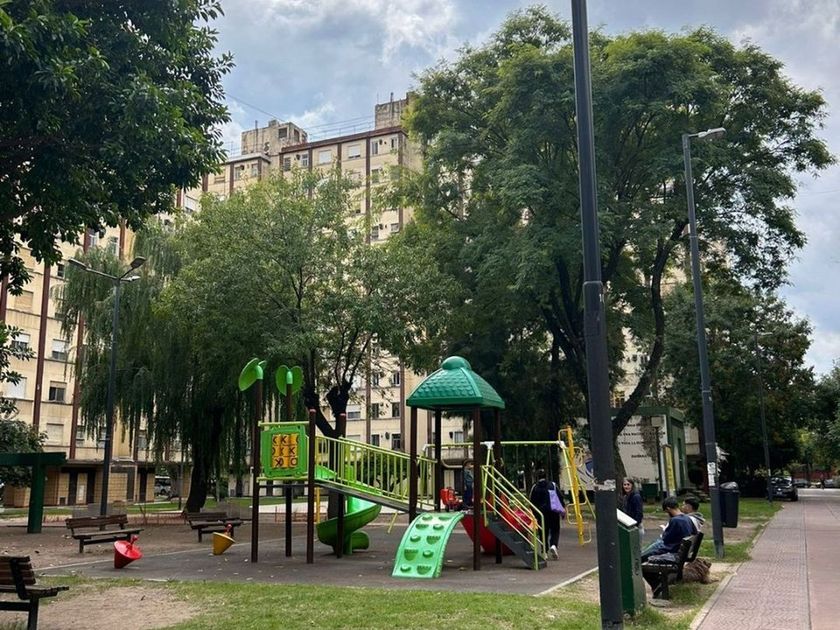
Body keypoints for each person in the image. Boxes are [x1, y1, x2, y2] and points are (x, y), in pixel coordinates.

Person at [641, 496, 695, 561]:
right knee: (653, 545)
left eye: (666, 512)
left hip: (673, 549)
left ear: (668, 509)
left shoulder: (675, 520)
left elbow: (666, 539)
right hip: (680, 549)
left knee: (641, 556)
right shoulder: (687, 518)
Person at [529, 468, 565, 559]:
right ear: (546, 476)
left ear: (537, 477)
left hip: (541, 513)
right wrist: (562, 509)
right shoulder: (552, 485)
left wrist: (535, 513)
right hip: (553, 512)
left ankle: (544, 551)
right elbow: (560, 497)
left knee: (543, 532)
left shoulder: (535, 487)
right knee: (555, 529)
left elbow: (531, 501)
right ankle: (554, 545)